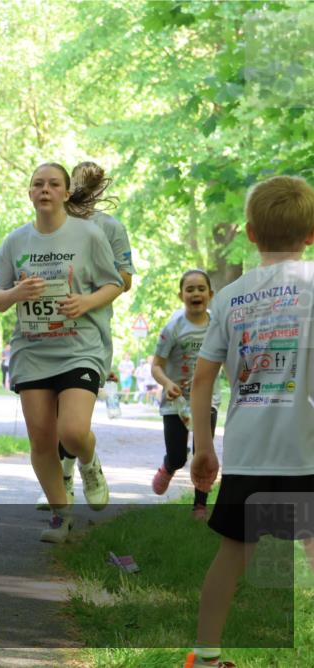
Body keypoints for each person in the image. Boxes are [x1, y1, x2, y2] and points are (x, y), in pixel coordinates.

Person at [185, 175, 314, 668]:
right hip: (305, 449)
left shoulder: (231, 296)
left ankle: (206, 655)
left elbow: (202, 380)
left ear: (251, 234)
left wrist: (203, 447)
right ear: (311, 233)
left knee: (233, 556)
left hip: (249, 450)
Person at [0, 162, 122, 543]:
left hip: (80, 347)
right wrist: (15, 294)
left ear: (65, 193)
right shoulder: (15, 242)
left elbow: (114, 284)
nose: (45, 189)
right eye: (37, 184)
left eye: (53, 184)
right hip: (33, 350)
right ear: (30, 193)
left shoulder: (89, 235)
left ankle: (89, 463)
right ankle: (62, 517)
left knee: (73, 432)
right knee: (42, 441)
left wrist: (86, 302)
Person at [38, 160, 136, 510]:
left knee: (74, 424)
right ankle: (61, 479)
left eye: (88, 188)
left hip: (87, 333)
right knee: (49, 423)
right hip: (46, 335)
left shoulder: (108, 228)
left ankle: (81, 466)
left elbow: (123, 279)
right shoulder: (47, 223)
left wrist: (92, 281)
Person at [150, 270, 221, 519]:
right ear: (181, 295)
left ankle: (200, 505)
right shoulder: (173, 328)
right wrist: (167, 384)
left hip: (207, 400)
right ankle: (169, 466)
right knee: (180, 457)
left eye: (201, 288)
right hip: (175, 401)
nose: (195, 293)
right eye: (189, 289)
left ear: (210, 295)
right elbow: (156, 365)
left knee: (203, 453)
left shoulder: (217, 326)